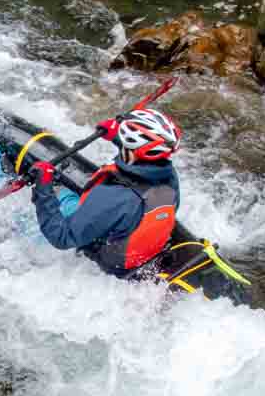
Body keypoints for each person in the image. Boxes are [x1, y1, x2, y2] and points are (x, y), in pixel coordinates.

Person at [28, 109, 183, 276]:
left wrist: (43, 189)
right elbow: (136, 155)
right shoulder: (170, 178)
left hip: (110, 260)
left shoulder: (114, 198)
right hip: (139, 248)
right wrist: (116, 137)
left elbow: (61, 237)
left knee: (61, 196)